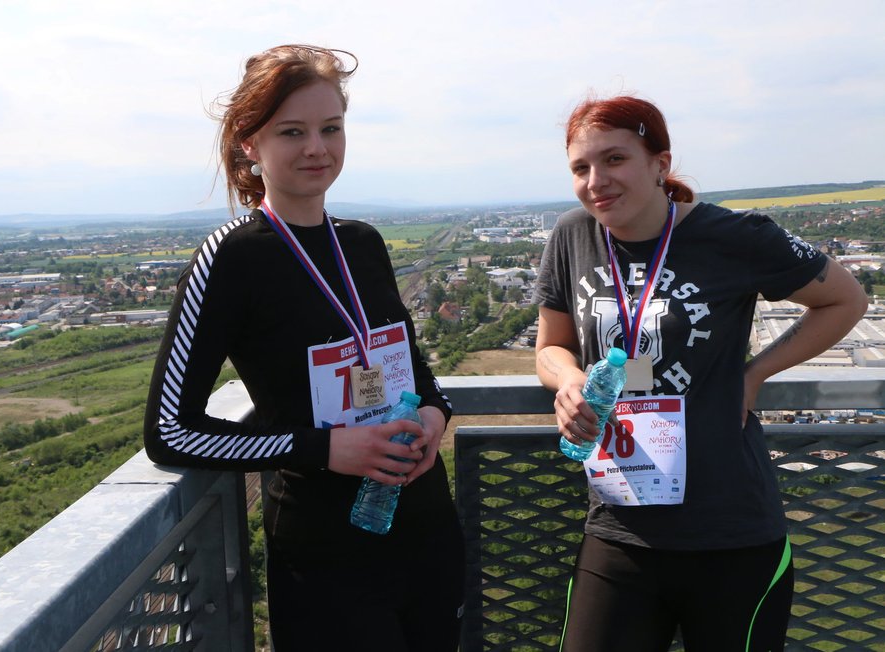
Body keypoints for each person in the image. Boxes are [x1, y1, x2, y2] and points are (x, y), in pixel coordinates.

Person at [143, 45, 464, 652]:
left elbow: (416, 370)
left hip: (425, 527)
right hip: (326, 556)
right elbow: (170, 430)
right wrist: (325, 448)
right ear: (248, 142)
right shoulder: (231, 258)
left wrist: (432, 414)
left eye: (331, 128)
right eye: (293, 131)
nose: (317, 147)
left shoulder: (364, 243)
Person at [533, 94, 868, 651]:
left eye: (615, 160)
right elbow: (551, 346)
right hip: (619, 523)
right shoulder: (573, 235)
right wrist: (568, 381)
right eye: (580, 167)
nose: (597, 181)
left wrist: (755, 373)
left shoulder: (735, 236)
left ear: (660, 164)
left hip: (731, 530)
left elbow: (845, 300)